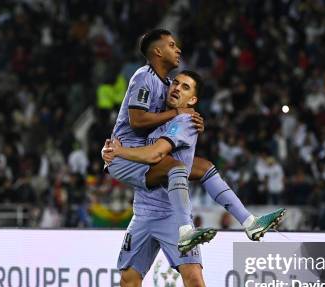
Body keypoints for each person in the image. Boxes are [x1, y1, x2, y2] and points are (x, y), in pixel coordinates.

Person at [104, 71, 242, 287]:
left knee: (193, 280)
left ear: (193, 99)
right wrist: (114, 151)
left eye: (185, 87)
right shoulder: (155, 116)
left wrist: (118, 153)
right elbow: (133, 133)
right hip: (142, 214)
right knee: (128, 280)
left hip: (170, 214)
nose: (175, 88)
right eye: (175, 83)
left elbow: (154, 154)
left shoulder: (185, 122)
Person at [104, 29, 286, 254]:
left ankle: (249, 222)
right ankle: (185, 231)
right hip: (124, 155)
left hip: (144, 153)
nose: (177, 49)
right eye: (171, 45)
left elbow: (179, 110)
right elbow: (137, 120)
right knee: (176, 167)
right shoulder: (144, 77)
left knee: (204, 167)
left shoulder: (168, 83)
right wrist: (178, 113)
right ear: (158, 51)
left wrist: (192, 117)